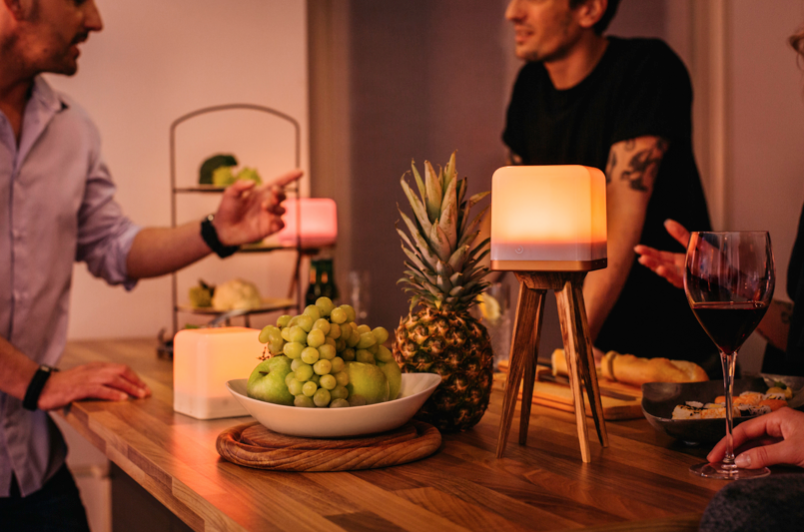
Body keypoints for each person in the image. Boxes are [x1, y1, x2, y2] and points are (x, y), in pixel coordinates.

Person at [0, 1, 301, 529]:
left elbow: (113, 244)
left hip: (31, 470)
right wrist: (37, 381)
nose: (95, 20)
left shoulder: (71, 127)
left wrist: (216, 231)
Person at [502, 0, 715, 370]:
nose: (512, 12)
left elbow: (619, 209)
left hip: (675, 352)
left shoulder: (647, 67)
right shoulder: (529, 86)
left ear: (590, 9)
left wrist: (575, 341)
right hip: (600, 349)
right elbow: (514, 212)